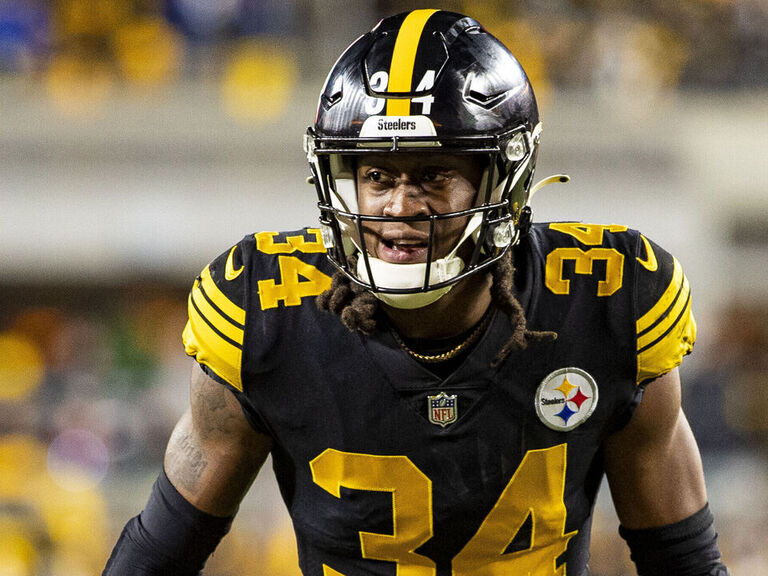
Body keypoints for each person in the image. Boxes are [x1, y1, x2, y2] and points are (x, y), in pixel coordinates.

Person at [103, 9, 729, 576]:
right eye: (376, 175)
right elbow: (162, 549)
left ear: (504, 181)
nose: (400, 206)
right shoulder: (264, 310)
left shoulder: (609, 297)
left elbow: (680, 556)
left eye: (433, 175)